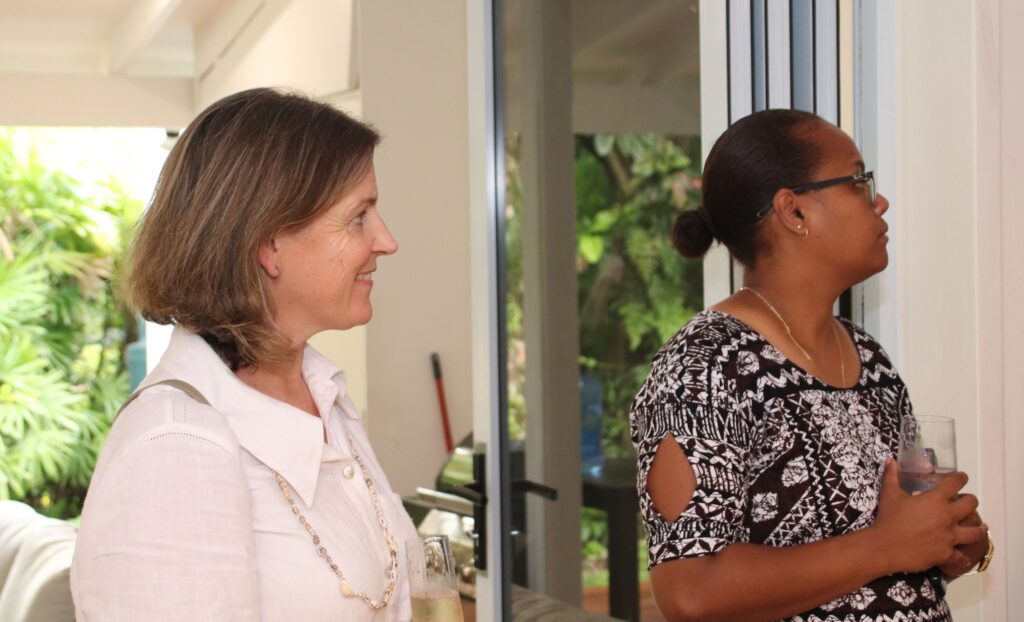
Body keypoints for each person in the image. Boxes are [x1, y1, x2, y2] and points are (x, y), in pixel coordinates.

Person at [630, 109, 992, 622]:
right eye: (860, 182)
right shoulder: (703, 367)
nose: (880, 201)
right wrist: (888, 545)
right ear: (794, 211)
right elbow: (691, 592)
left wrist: (946, 540)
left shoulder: (868, 357)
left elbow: (871, 565)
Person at [71, 88, 416, 621]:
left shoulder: (325, 395)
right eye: (358, 217)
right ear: (269, 245)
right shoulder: (174, 448)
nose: (387, 241)